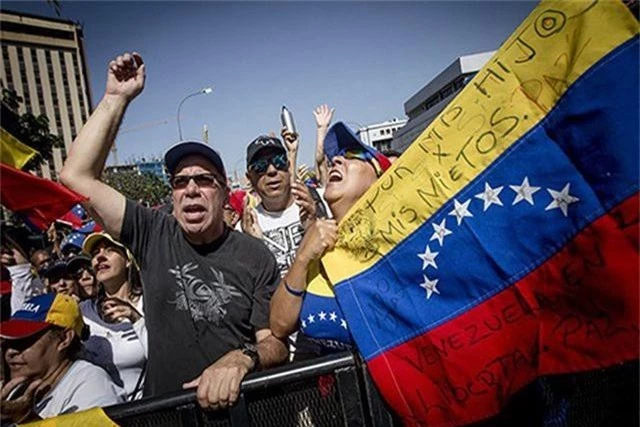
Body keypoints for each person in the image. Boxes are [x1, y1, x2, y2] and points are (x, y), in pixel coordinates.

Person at [60, 51, 288, 408]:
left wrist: (242, 358)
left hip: (239, 414)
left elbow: (274, 344)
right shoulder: (153, 233)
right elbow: (75, 176)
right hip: (165, 413)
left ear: (225, 192)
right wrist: (116, 99)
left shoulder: (254, 255)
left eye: (203, 180)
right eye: (180, 182)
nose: (191, 189)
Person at [270, 122, 391, 357]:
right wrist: (303, 257)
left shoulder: (400, 245)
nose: (335, 160)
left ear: (381, 181)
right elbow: (279, 325)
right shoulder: (317, 246)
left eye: (353, 155)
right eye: (335, 157)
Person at [0, 293, 124, 423]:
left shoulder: (92, 385)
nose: (10, 352)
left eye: (24, 341)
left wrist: (26, 419)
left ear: (64, 339)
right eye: (8, 341)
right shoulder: (17, 388)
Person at [79, 232, 147, 400]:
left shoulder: (148, 305)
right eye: (95, 253)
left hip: (144, 410)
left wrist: (136, 320)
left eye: (110, 250)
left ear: (128, 260)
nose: (100, 257)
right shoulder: (82, 312)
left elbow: (166, 358)